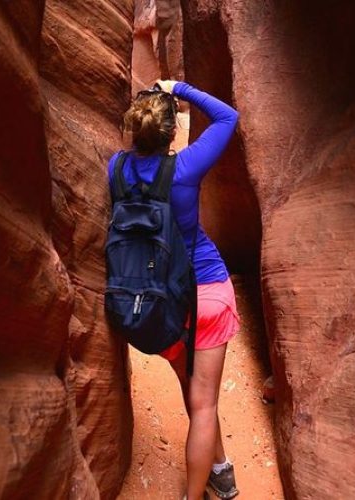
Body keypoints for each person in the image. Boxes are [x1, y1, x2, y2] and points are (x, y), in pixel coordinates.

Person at [107, 79, 240, 500]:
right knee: (204, 405)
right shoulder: (184, 170)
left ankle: (221, 470)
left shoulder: (117, 170)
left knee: (192, 387)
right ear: (172, 134)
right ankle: (194, 493)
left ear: (134, 130)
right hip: (206, 293)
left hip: (159, 301)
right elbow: (227, 116)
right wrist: (178, 86)